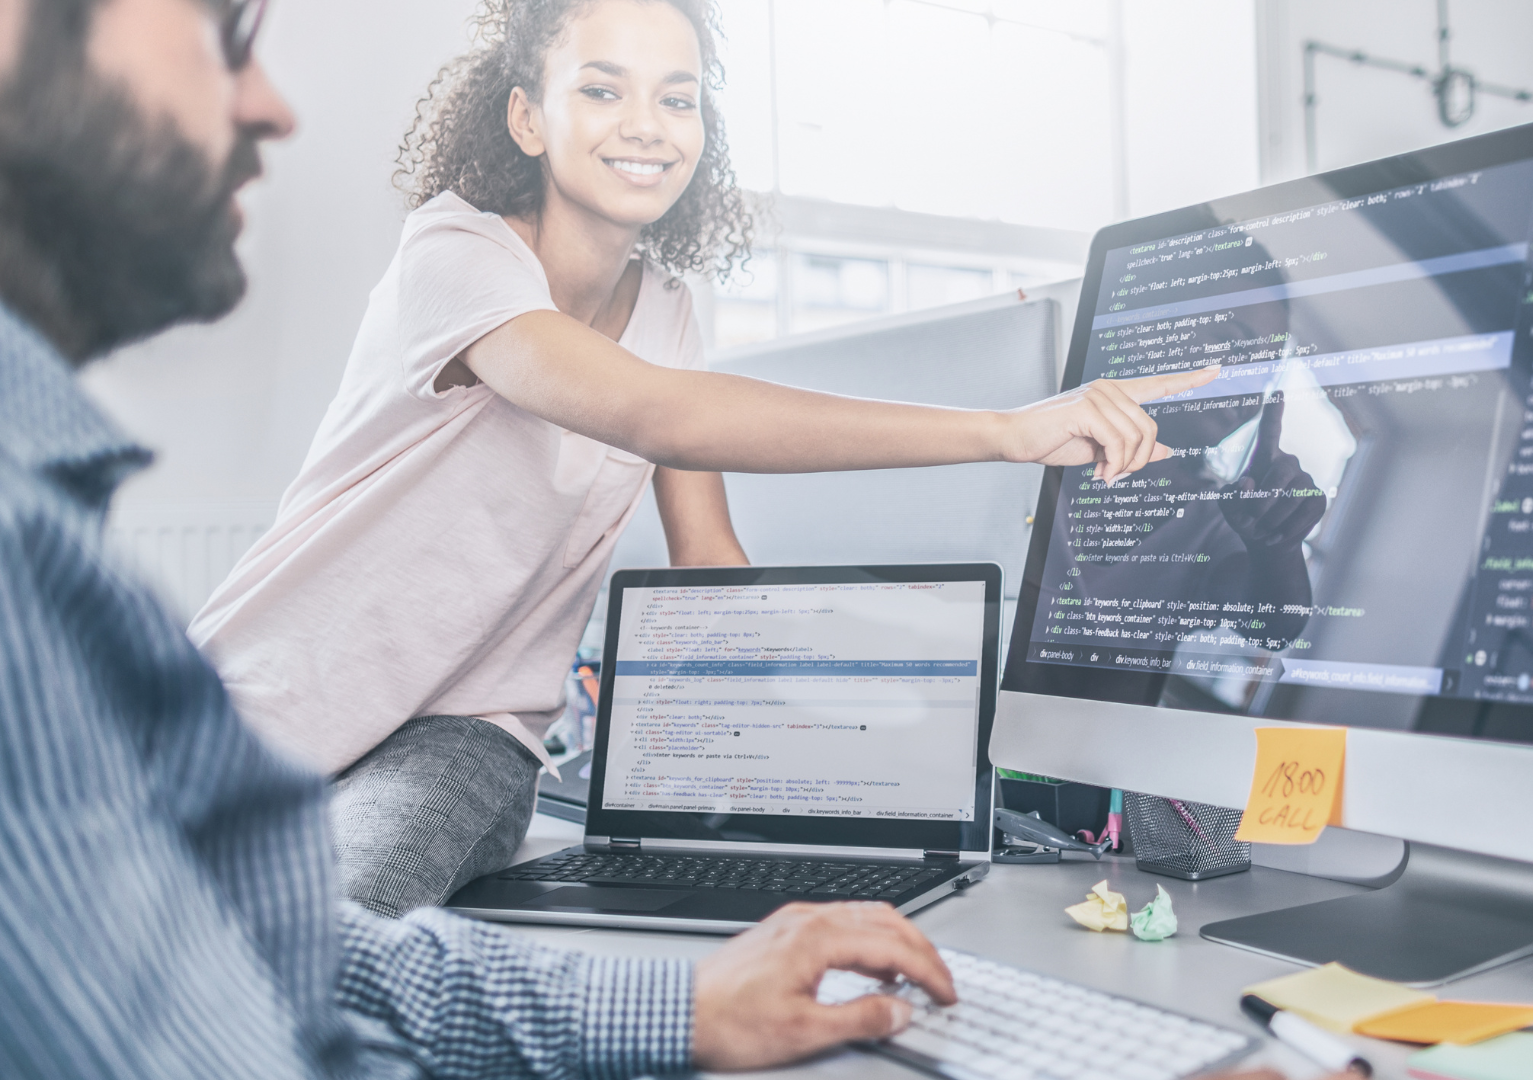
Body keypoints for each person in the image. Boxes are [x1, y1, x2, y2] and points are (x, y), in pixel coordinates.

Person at [185, 0, 1216, 919]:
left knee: (321, 934)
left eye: (678, 99)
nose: (646, 125)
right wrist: (1004, 432)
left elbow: (708, 562)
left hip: (466, 732)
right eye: (602, 89)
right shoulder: (455, 252)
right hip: (269, 691)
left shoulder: (672, 311)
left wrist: (859, 739)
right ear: (526, 119)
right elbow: (657, 413)